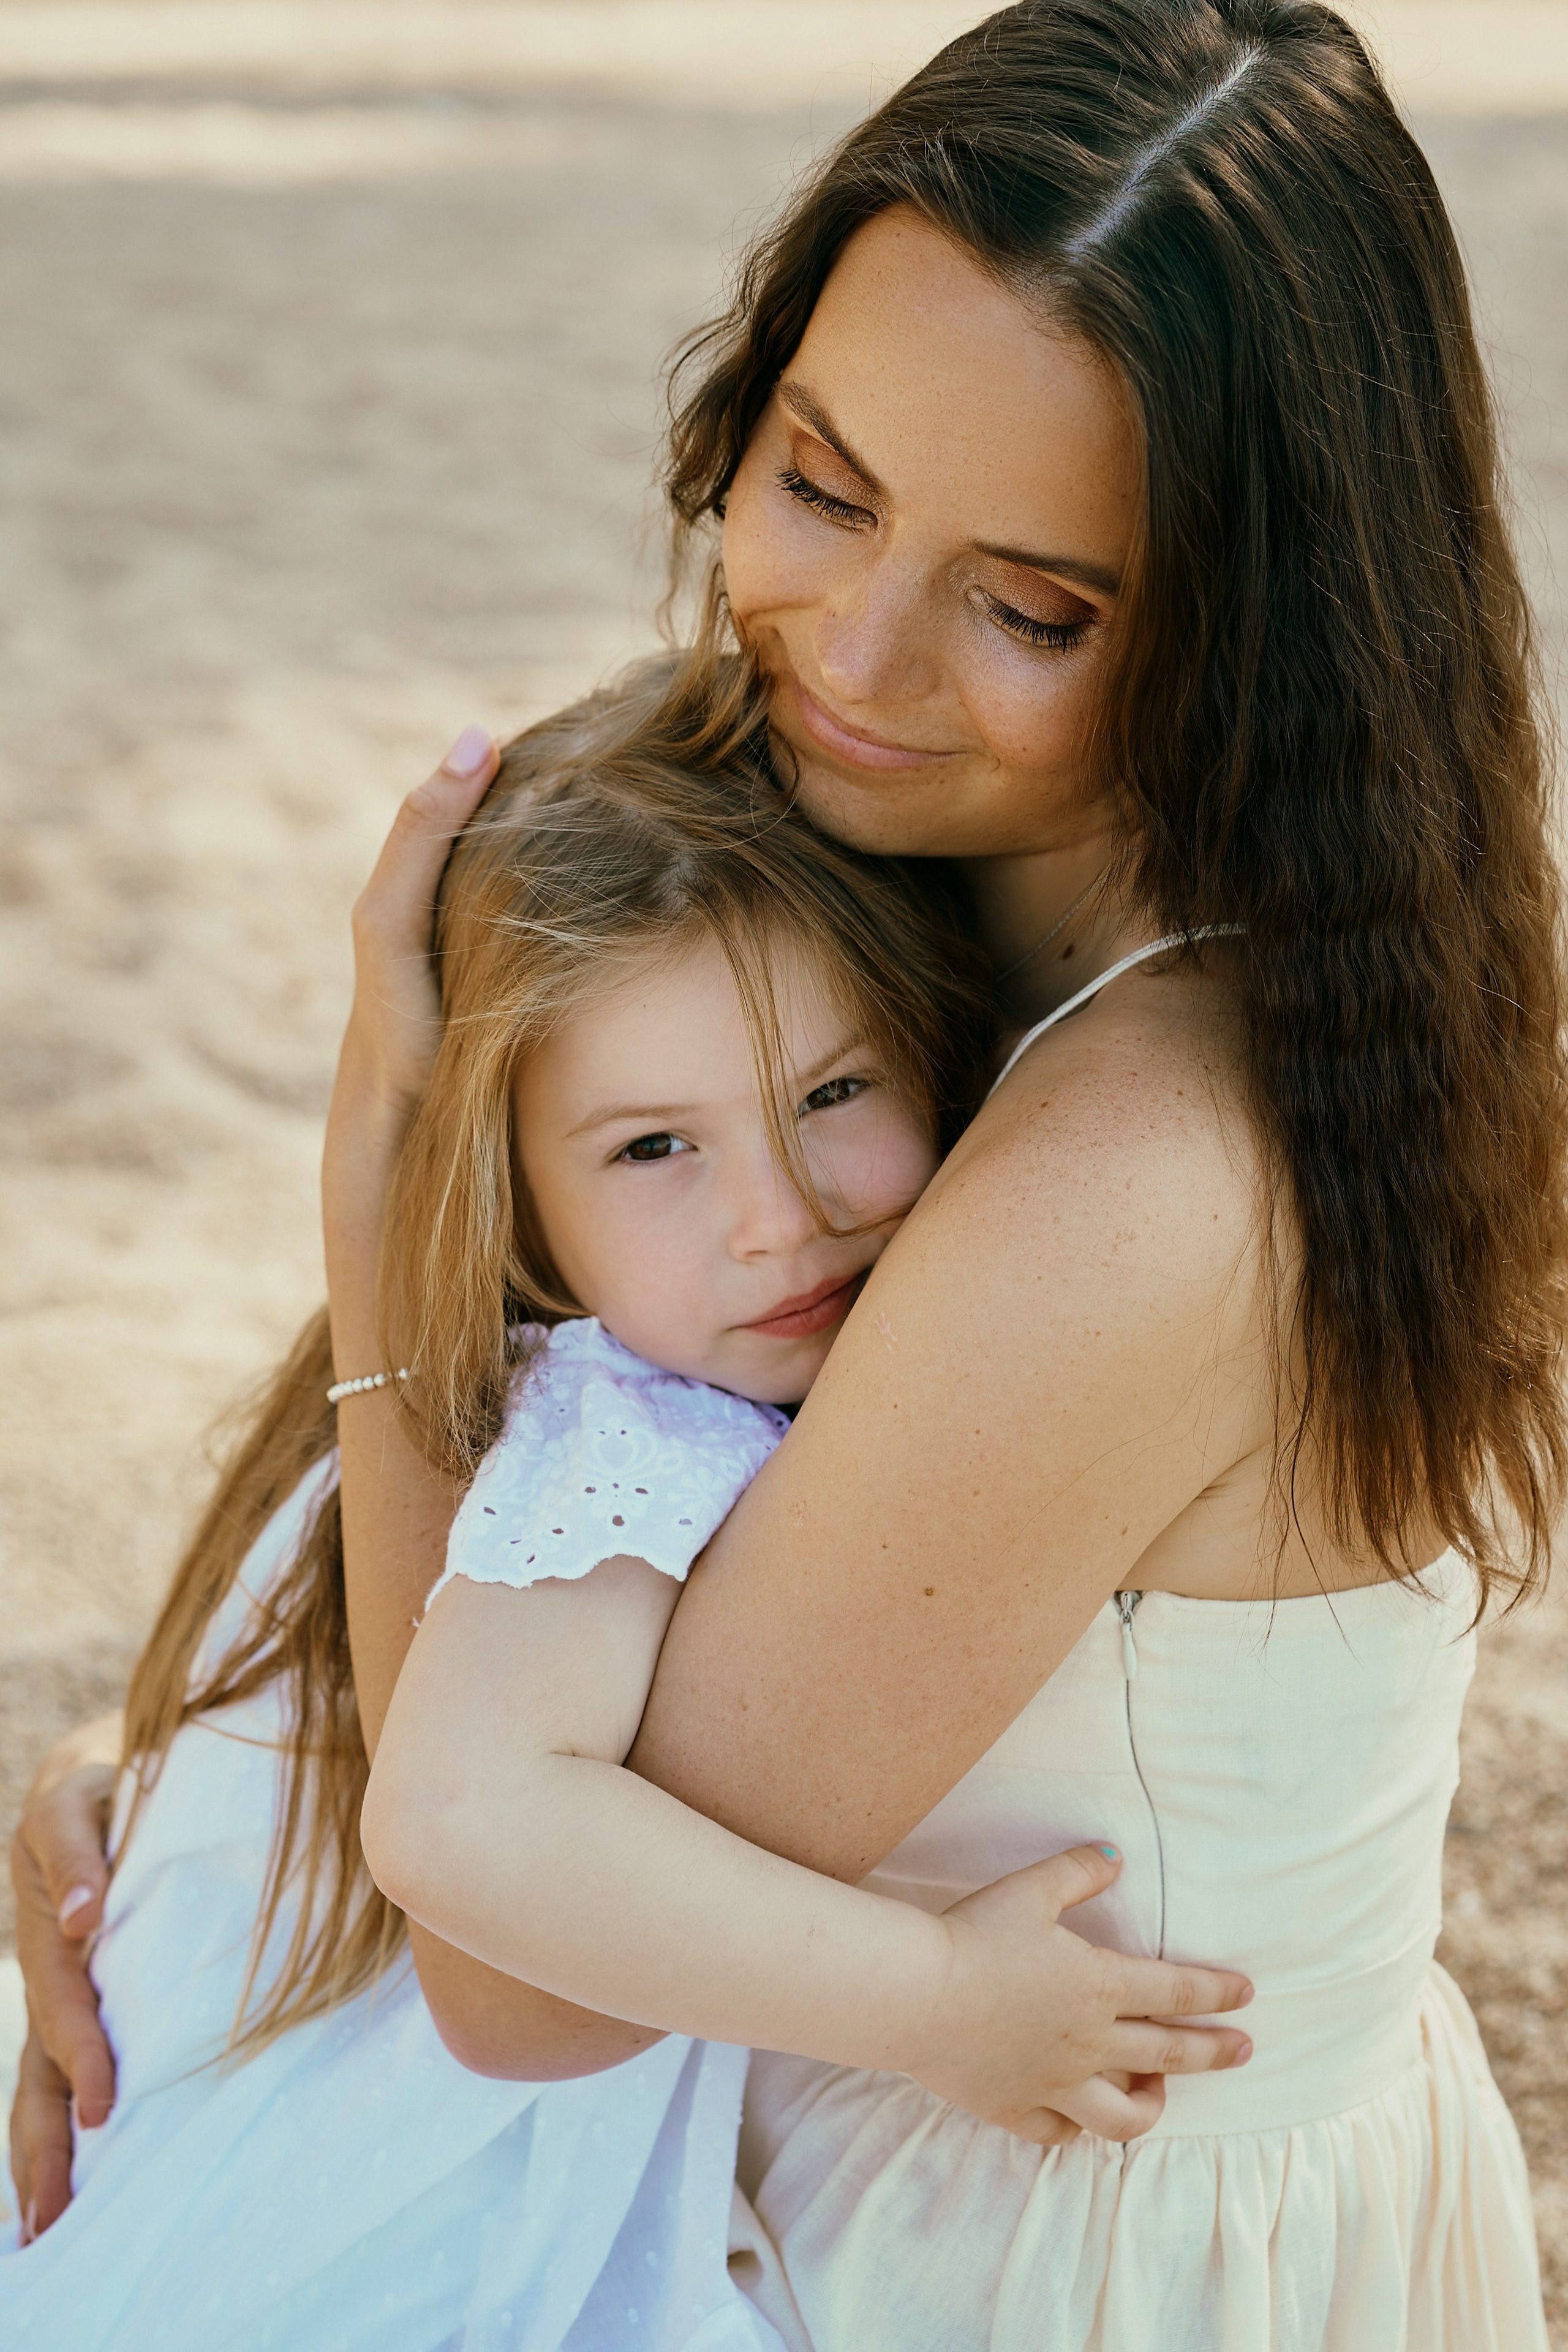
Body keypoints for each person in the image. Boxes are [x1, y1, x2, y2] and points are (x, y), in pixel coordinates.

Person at [14, 1, 1562, 2343]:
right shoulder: (910, 905)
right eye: (822, 484)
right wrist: (219, 1797)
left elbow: (519, 1981)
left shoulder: (1140, 1175)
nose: (850, 653)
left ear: (1265, 647)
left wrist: (387, 1182)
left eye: (1033, 607)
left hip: (1015, 2240)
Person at [0, 663, 1249, 2351]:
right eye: (656, 1149)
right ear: (523, 1210)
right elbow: (464, 1830)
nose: (778, 1216)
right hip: (386, 2212)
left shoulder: (646, 1377)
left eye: (832, 1095)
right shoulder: (634, 1434)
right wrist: (943, 2001)